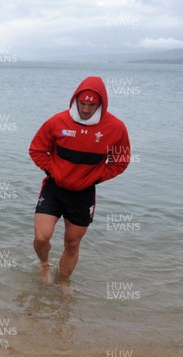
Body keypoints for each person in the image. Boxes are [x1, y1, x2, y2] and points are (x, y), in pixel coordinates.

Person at [29, 76, 130, 296]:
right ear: (75, 100)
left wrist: (95, 177)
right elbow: (36, 150)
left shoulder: (116, 127)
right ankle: (45, 264)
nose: (85, 109)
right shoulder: (57, 122)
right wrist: (54, 170)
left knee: (72, 243)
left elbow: (121, 161)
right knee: (41, 236)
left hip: (83, 194)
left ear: (100, 104)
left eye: (91, 105)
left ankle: (63, 282)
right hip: (54, 188)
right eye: (82, 103)